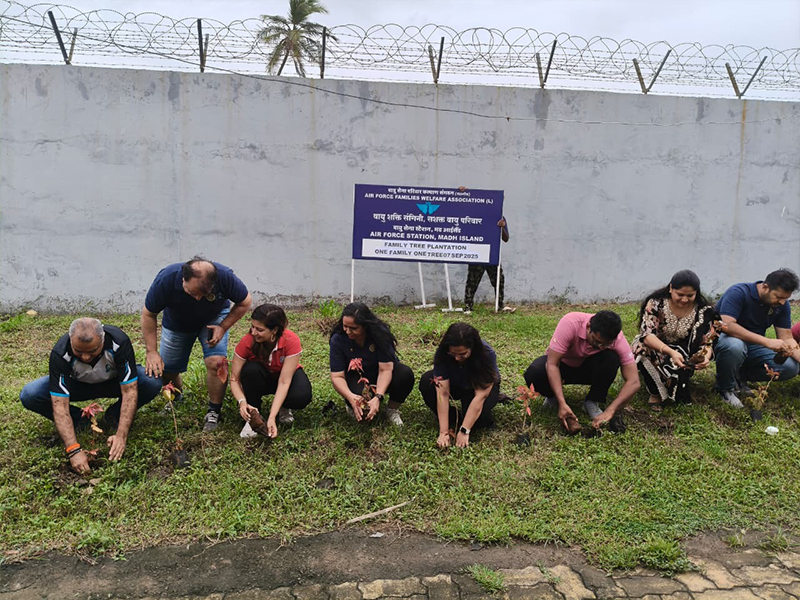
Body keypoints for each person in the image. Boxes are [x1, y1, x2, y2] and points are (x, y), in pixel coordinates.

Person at [19, 318, 161, 472]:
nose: (85, 357)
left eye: (92, 351)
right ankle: (81, 420)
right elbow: (59, 404)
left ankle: (113, 416)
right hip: (78, 386)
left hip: (113, 383)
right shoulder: (60, 353)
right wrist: (73, 450)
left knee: (151, 381)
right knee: (30, 394)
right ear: (71, 340)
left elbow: (130, 390)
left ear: (103, 340)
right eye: (78, 351)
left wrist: (121, 436)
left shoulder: (118, 342)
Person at [141, 257, 252, 431]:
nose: (198, 298)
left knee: (217, 363)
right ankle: (176, 397)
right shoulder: (167, 278)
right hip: (177, 323)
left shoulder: (225, 276)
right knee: (167, 369)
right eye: (192, 293)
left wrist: (222, 327)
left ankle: (214, 411)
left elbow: (245, 302)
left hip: (214, 319)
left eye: (204, 294)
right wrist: (151, 351)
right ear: (183, 279)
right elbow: (149, 314)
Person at [524, 310, 639, 433]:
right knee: (535, 372)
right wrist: (562, 403)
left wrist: (610, 411)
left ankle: (592, 400)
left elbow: (634, 382)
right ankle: (553, 396)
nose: (601, 347)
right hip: (563, 367)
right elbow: (552, 364)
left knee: (611, 358)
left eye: (606, 344)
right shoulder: (570, 323)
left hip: (588, 370)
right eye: (597, 341)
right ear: (588, 327)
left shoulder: (618, 339)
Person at [714, 268, 800, 408]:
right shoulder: (738, 292)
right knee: (735, 346)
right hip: (725, 340)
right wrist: (766, 341)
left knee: (790, 367)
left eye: (786, 298)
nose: (782, 302)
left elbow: (786, 337)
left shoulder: (782, 305)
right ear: (765, 287)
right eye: (778, 297)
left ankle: (739, 376)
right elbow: (727, 325)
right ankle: (725, 389)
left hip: (753, 346)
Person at [632, 270, 718, 409]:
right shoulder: (656, 303)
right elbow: (647, 335)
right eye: (680, 294)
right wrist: (670, 352)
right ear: (671, 288)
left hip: (685, 353)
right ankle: (655, 392)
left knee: (679, 386)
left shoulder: (704, 311)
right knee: (641, 348)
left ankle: (673, 385)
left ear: (696, 293)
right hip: (656, 346)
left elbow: (707, 341)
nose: (684, 299)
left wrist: (705, 357)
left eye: (690, 295)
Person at [230, 304, 313, 438]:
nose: (253, 332)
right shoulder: (247, 342)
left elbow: (284, 381)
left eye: (259, 329)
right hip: (261, 377)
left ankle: (283, 407)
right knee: (250, 370)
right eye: (252, 327)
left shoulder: (291, 340)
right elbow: (234, 379)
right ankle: (253, 414)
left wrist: (272, 417)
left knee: (301, 396)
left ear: (274, 330)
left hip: (284, 377)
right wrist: (242, 402)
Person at [329, 302, 414, 426]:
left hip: (380, 372)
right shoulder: (338, 339)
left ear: (365, 326)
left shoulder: (380, 334)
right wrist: (351, 397)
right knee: (362, 410)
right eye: (345, 326)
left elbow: (385, 369)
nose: (347, 331)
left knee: (405, 374)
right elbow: (337, 376)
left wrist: (378, 396)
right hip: (356, 377)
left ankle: (392, 409)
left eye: (353, 328)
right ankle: (351, 405)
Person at [419, 322, 500, 448]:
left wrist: (464, 430)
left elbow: (480, 396)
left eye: (462, 354)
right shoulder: (442, 353)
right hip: (455, 383)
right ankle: (454, 415)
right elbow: (442, 393)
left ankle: (472, 414)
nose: (457, 358)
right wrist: (444, 432)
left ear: (472, 348)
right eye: (453, 354)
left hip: (477, 387)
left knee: (480, 422)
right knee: (426, 381)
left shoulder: (486, 354)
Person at [463, 217, 515, 313]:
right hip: (477, 253)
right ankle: (468, 307)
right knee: (472, 281)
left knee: (499, 279)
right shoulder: (475, 216)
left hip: (492, 255)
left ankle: (500, 305)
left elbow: (506, 238)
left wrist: (501, 227)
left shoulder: (500, 217)